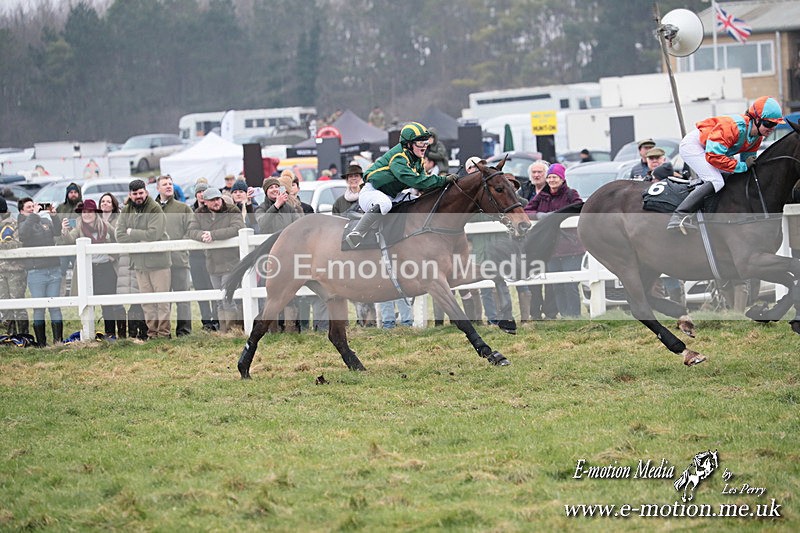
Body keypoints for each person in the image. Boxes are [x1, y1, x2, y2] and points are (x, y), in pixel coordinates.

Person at [668, 96, 785, 232]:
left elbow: (747, 165)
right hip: (694, 146)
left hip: (710, 150)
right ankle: (679, 216)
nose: (772, 128)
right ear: (757, 119)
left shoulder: (756, 138)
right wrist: (742, 166)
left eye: (775, 125)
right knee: (716, 181)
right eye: (769, 124)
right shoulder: (734, 127)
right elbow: (714, 157)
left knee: (731, 178)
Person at [346, 122, 453, 248]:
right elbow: (415, 181)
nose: (425, 146)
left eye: (426, 142)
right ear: (408, 144)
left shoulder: (417, 159)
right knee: (385, 204)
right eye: (420, 142)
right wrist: (443, 180)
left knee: (419, 202)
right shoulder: (399, 158)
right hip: (371, 193)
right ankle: (358, 232)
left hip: (392, 194)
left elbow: (424, 182)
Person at [524, 163, 584, 318]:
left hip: (571, 246)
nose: (551, 180)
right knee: (556, 284)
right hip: (550, 247)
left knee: (570, 283)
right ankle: (564, 315)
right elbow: (527, 211)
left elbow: (579, 207)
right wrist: (540, 215)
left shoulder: (571, 194)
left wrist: (557, 215)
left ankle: (574, 315)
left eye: (555, 177)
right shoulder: (542, 195)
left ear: (562, 179)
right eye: (549, 177)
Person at [115, 179, 172, 340]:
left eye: (141, 193)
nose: (138, 196)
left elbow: (154, 234)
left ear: (146, 192)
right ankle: (152, 333)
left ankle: (164, 333)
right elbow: (119, 235)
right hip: (139, 263)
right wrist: (140, 237)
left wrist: (132, 232)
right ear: (130, 194)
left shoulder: (155, 208)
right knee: (147, 302)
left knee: (162, 301)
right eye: (135, 194)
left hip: (158, 262)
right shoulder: (126, 210)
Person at [60, 199, 125, 339]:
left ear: (95, 213)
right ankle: (89, 333)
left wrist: (114, 255)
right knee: (88, 303)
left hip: (106, 268)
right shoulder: (79, 228)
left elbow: (119, 238)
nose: (86, 215)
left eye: (89, 212)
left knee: (107, 303)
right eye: (84, 212)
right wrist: (64, 231)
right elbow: (70, 240)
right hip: (88, 270)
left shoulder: (105, 226)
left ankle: (111, 334)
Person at [187, 187, 246, 333]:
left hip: (231, 260)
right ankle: (224, 329)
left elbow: (238, 227)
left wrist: (213, 235)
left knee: (228, 297)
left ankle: (233, 329)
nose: (216, 202)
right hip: (212, 262)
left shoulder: (232, 210)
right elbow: (191, 231)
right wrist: (202, 235)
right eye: (212, 200)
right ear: (205, 202)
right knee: (219, 299)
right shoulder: (199, 214)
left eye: (217, 199)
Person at [331, 164, 376, 327]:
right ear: (347, 180)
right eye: (350, 177)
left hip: (369, 247)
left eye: (356, 176)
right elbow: (335, 226)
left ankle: (372, 319)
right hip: (348, 248)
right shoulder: (339, 203)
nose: (353, 179)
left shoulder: (369, 197)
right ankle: (360, 319)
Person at [17, 197, 62, 346]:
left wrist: (54, 217)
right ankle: (42, 344)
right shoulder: (23, 223)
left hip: (53, 269)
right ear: (21, 211)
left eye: (33, 206)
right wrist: (33, 216)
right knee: (39, 309)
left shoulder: (45, 221)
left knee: (55, 306)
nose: (32, 208)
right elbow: (23, 235)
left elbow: (57, 232)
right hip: (36, 271)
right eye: (28, 207)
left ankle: (58, 342)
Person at [155, 175, 195, 337]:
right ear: (158, 188)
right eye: (164, 184)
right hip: (159, 262)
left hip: (179, 261)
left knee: (183, 298)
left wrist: (180, 247)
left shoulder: (183, 208)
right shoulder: (152, 209)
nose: (168, 186)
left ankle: (184, 331)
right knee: (163, 300)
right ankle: (163, 331)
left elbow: (191, 230)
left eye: (170, 184)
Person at [525, 160, 557, 320]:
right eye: (534, 172)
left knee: (550, 278)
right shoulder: (526, 191)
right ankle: (535, 312)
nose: (536, 175)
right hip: (530, 243)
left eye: (540, 172)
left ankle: (551, 311)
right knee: (533, 279)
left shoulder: (552, 191)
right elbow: (523, 211)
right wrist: (537, 215)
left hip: (550, 241)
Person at [189, 181, 219, 331]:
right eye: (199, 192)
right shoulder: (190, 211)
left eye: (204, 191)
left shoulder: (214, 210)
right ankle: (206, 320)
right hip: (196, 256)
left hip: (212, 255)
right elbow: (189, 230)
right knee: (200, 288)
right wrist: (202, 236)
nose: (201, 194)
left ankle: (216, 319)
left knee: (212, 287)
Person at [0, 196, 29, 337]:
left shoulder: (13, 224)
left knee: (17, 305)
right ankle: (10, 336)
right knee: (4, 306)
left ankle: (23, 335)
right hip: (0, 272)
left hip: (14, 271)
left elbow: (17, 243)